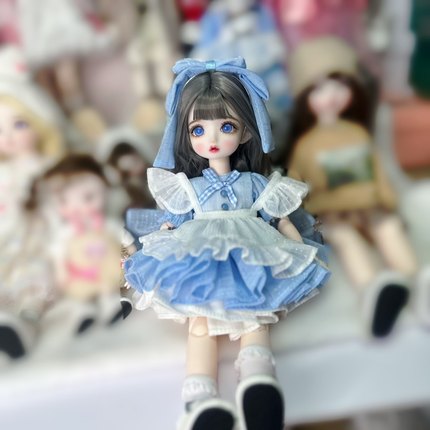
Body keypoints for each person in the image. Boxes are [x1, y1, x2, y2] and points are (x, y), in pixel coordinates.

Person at [124, 57, 330, 430]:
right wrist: (158, 245)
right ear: (186, 135)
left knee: (256, 310)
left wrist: (300, 252)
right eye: (198, 130)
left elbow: (279, 218)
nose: (213, 139)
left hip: (251, 247)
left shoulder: (255, 183)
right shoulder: (187, 188)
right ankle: (200, 399)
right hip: (200, 253)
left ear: (246, 132)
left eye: (227, 126)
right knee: (200, 321)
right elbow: (175, 222)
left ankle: (257, 378)